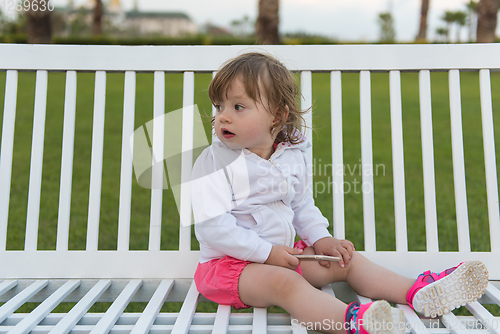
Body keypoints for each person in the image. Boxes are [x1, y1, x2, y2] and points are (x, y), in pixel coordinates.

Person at [190, 52, 489, 334]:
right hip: (229, 268)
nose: (223, 117)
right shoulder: (215, 162)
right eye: (219, 107)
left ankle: (417, 292)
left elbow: (301, 203)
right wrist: (267, 253)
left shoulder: (289, 154)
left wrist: (321, 238)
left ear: (277, 117)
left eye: (238, 107)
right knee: (285, 283)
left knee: (344, 261)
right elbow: (213, 226)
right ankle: (355, 322)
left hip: (283, 254)